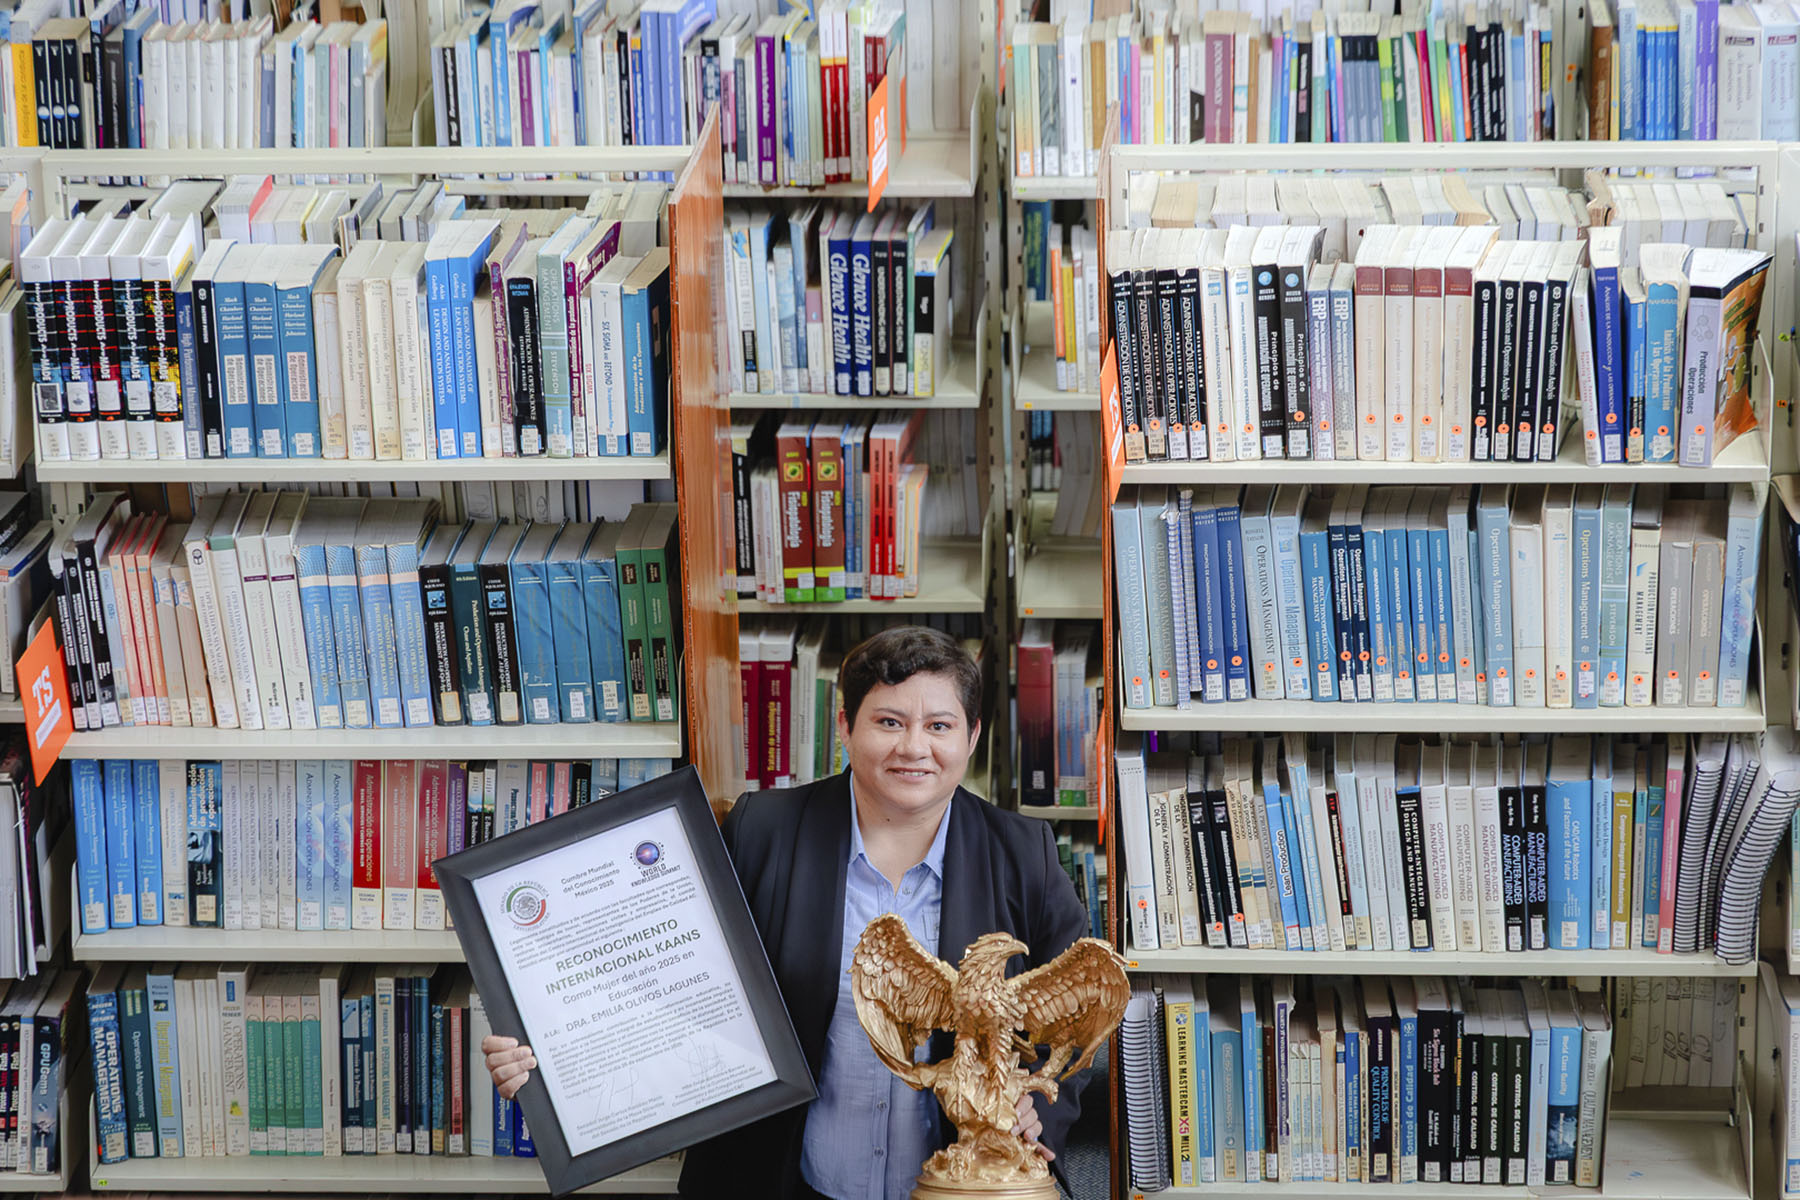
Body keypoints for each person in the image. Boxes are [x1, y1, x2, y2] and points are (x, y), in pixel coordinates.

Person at [483, 624, 1093, 1199]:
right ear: (845, 725)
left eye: (939, 725)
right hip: (781, 1179)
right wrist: (551, 1049)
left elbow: (1080, 1014)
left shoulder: (1023, 854)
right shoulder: (762, 830)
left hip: (959, 1187)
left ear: (972, 736)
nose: (914, 747)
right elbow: (662, 978)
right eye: (888, 721)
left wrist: (1042, 1104)